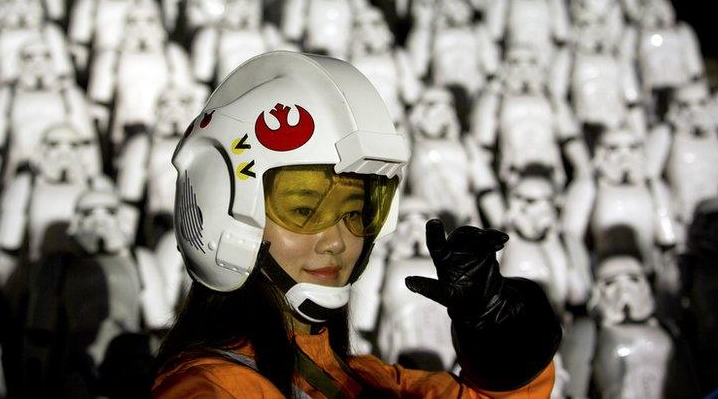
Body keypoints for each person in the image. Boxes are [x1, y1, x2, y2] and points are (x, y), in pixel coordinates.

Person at [153, 51, 561, 397]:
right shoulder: (210, 387)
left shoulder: (362, 378)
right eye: (303, 212)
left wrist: (496, 331)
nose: (337, 241)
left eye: (354, 214)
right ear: (221, 208)